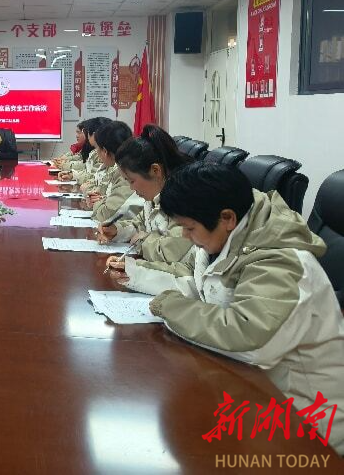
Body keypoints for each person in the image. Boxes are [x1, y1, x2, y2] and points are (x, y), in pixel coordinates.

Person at [146, 163, 344, 454]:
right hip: (252, 386)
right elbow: (203, 289)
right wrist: (137, 276)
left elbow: (251, 338)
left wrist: (170, 307)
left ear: (227, 218)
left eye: (189, 228)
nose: (185, 236)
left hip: (305, 417)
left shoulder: (280, 261)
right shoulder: (227, 238)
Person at [99, 125, 194, 275]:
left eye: (132, 181)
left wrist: (142, 241)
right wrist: (117, 231)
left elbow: (170, 252)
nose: (131, 188)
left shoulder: (184, 200)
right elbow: (139, 223)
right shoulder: (155, 195)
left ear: (155, 170)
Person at [84, 121, 143, 222]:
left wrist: (96, 203)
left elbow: (107, 215)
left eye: (97, 148)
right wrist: (97, 198)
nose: (96, 152)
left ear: (105, 151)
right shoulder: (115, 168)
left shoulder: (126, 173)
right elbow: (100, 191)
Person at [58, 117, 108, 184]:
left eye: (84, 132)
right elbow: (87, 168)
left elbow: (94, 177)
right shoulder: (93, 151)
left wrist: (66, 166)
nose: (86, 135)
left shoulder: (102, 153)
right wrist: (72, 174)